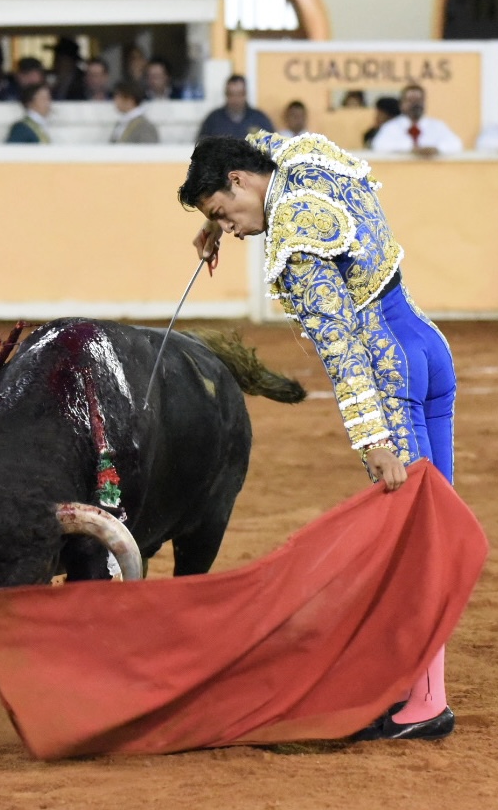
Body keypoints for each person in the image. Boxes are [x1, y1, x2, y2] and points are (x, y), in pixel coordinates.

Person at [179, 130, 458, 742]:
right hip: (426, 345)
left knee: (414, 540)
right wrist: (209, 217)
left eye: (225, 213)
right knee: (434, 530)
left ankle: (425, 704)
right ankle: (419, 689)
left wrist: (372, 438)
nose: (232, 229)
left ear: (239, 181)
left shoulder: (294, 243)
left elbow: (342, 348)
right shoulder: (305, 156)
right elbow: (252, 143)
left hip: (388, 371)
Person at [370, 84, 463, 157]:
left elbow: (456, 144)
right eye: (411, 100)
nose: (416, 104)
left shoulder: (437, 126)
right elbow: (379, 146)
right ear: (402, 104)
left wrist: (436, 149)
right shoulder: (391, 127)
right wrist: (411, 149)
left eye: (419, 100)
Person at [196, 74, 274, 141]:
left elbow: (272, 145)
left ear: (245, 94)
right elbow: (201, 146)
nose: (235, 99)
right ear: (226, 94)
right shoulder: (213, 120)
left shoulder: (259, 119)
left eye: (239, 94)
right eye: (231, 94)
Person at [49, 36, 87, 102]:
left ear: (71, 61)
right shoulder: (55, 80)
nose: (57, 63)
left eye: (62, 60)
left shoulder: (82, 81)